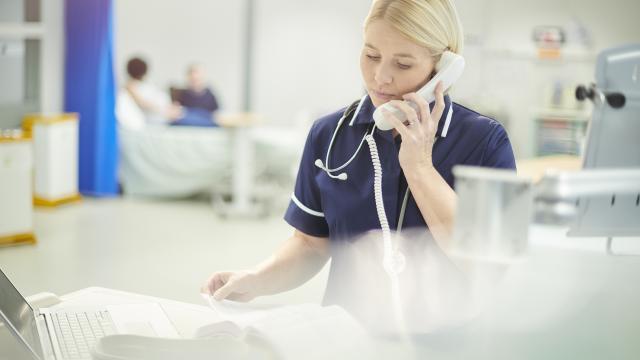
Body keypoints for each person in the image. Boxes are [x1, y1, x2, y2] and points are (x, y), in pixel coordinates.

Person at [202, 0, 516, 330]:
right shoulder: (329, 134)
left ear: (444, 67)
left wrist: (420, 167)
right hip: (349, 338)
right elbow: (310, 244)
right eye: (371, 55)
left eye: (403, 64)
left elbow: (491, 264)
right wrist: (256, 279)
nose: (380, 76)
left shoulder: (488, 141)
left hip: (449, 344)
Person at [121, 57, 182, 126]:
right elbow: (142, 103)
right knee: (192, 117)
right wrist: (166, 111)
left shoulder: (142, 85)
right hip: (161, 117)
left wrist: (170, 108)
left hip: (167, 113)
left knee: (191, 114)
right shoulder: (130, 86)